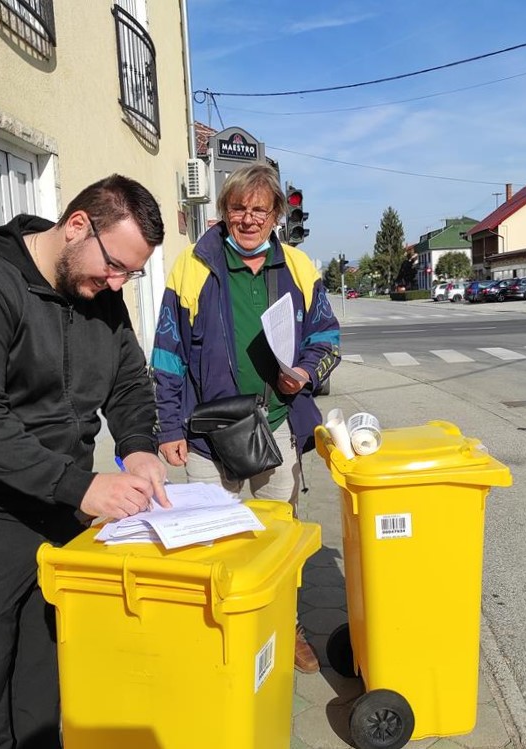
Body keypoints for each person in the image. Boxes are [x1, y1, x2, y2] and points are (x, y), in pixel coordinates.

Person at [0, 175, 170, 748]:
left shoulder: (100, 296)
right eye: (115, 265)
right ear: (77, 226)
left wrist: (139, 447)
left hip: (53, 510)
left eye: (131, 273)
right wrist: (82, 486)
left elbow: (128, 382)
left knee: (43, 686)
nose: (118, 282)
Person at [151, 163, 340, 674]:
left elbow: (328, 339)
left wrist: (304, 372)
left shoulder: (300, 268)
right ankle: (216, 633)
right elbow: (167, 353)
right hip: (208, 436)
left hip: (276, 426)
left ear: (276, 214)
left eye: (260, 209)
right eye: (239, 208)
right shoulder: (192, 267)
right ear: (224, 212)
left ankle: (286, 625)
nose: (249, 218)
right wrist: (169, 427)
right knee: (211, 540)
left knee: (278, 539)